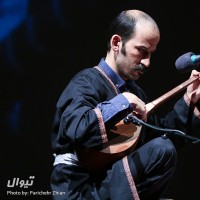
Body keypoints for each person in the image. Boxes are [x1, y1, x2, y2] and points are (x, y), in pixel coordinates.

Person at [50, 9, 200, 200]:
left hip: (112, 183)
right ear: (116, 43)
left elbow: (158, 139)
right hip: (78, 188)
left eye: (151, 54)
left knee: (163, 149)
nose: (147, 62)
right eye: (141, 51)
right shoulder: (85, 82)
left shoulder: (136, 93)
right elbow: (77, 127)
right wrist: (123, 102)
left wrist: (189, 101)